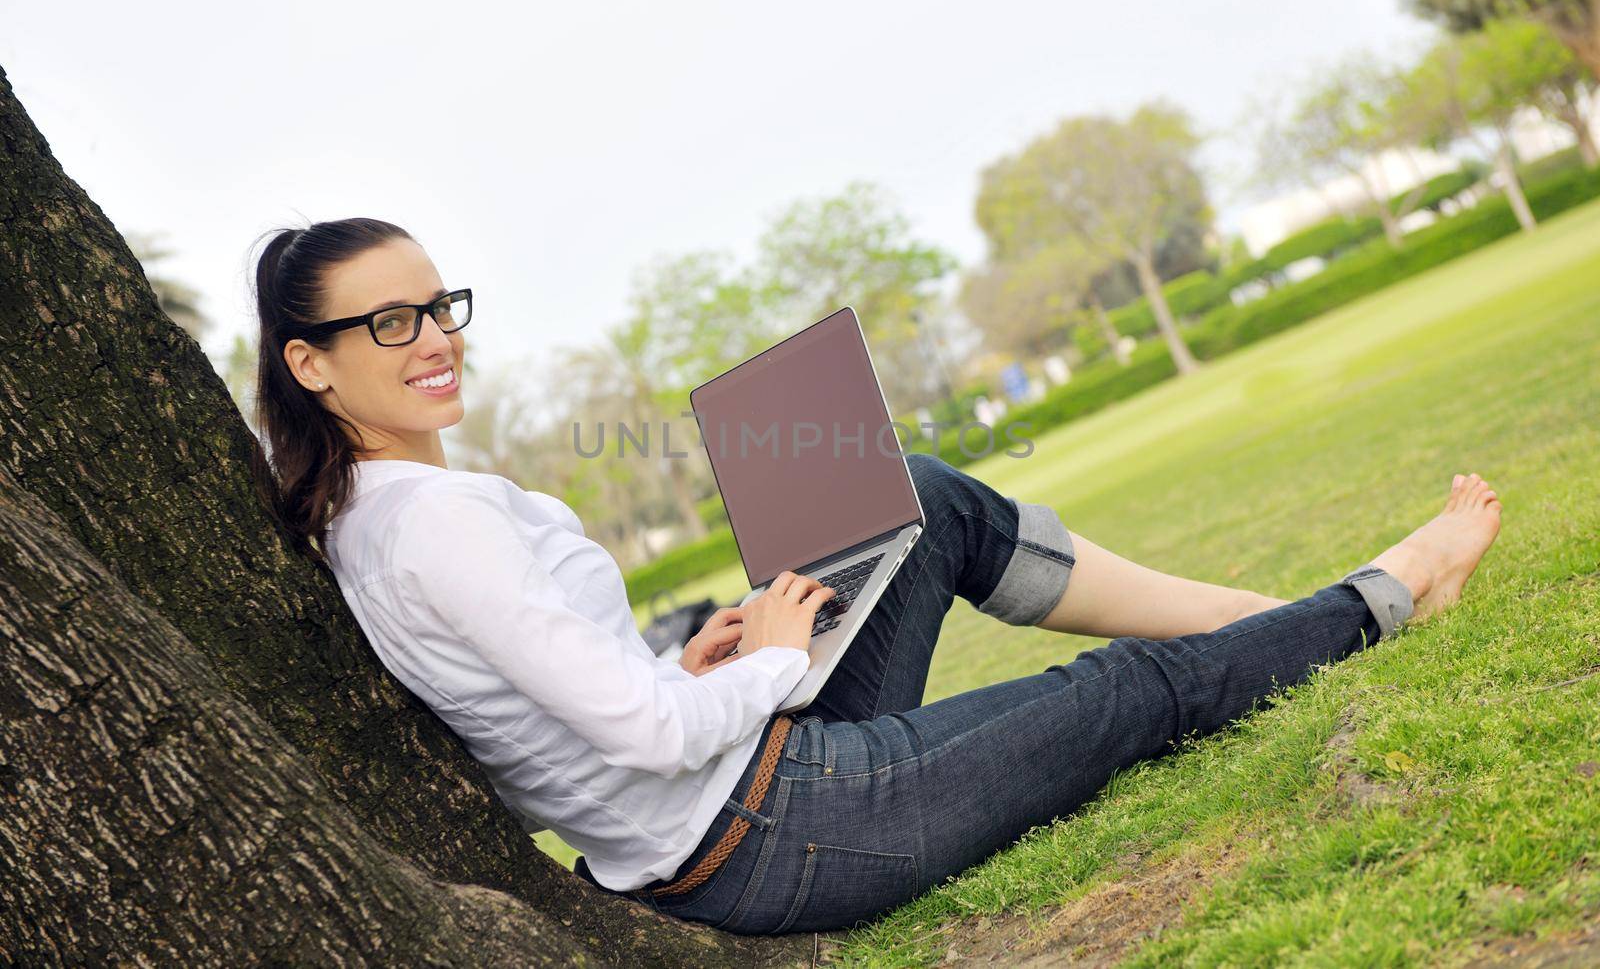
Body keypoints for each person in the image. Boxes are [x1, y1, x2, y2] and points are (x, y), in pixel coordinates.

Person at [250, 217, 1503, 936]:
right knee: (1125, 695)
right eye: (389, 324)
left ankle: (1265, 619)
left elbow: (563, 714)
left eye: (439, 304)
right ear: (312, 364)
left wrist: (689, 660)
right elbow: (631, 738)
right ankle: (1381, 592)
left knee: (920, 494)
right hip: (759, 831)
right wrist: (775, 663)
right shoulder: (433, 522)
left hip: (739, 775)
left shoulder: (378, 512)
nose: (436, 341)